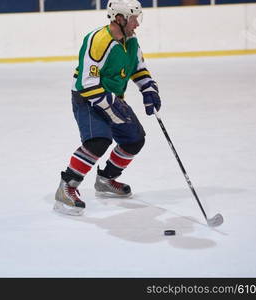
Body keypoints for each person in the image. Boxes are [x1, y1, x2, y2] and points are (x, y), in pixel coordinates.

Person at [54, 0, 161, 216]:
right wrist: (110, 107)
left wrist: (149, 89)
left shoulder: (131, 41)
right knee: (98, 141)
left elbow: (138, 68)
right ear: (119, 18)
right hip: (86, 98)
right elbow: (87, 82)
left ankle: (105, 179)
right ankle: (67, 187)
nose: (137, 24)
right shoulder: (98, 41)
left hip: (113, 98)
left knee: (134, 139)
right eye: (133, 19)